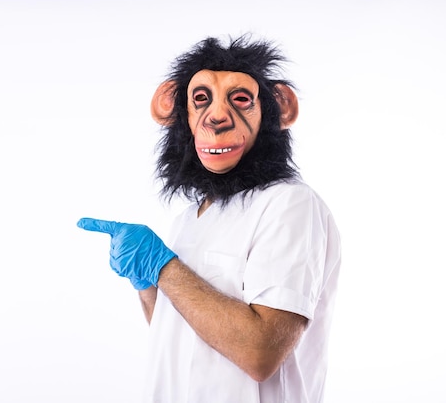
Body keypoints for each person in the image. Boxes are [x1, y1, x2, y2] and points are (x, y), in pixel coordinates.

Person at [78, 34, 341, 403]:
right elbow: (179, 332)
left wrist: (164, 267)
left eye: (241, 100)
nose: (217, 117)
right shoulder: (189, 218)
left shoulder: (290, 204)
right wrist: (147, 285)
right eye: (201, 99)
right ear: (176, 111)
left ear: (278, 108)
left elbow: (259, 353)